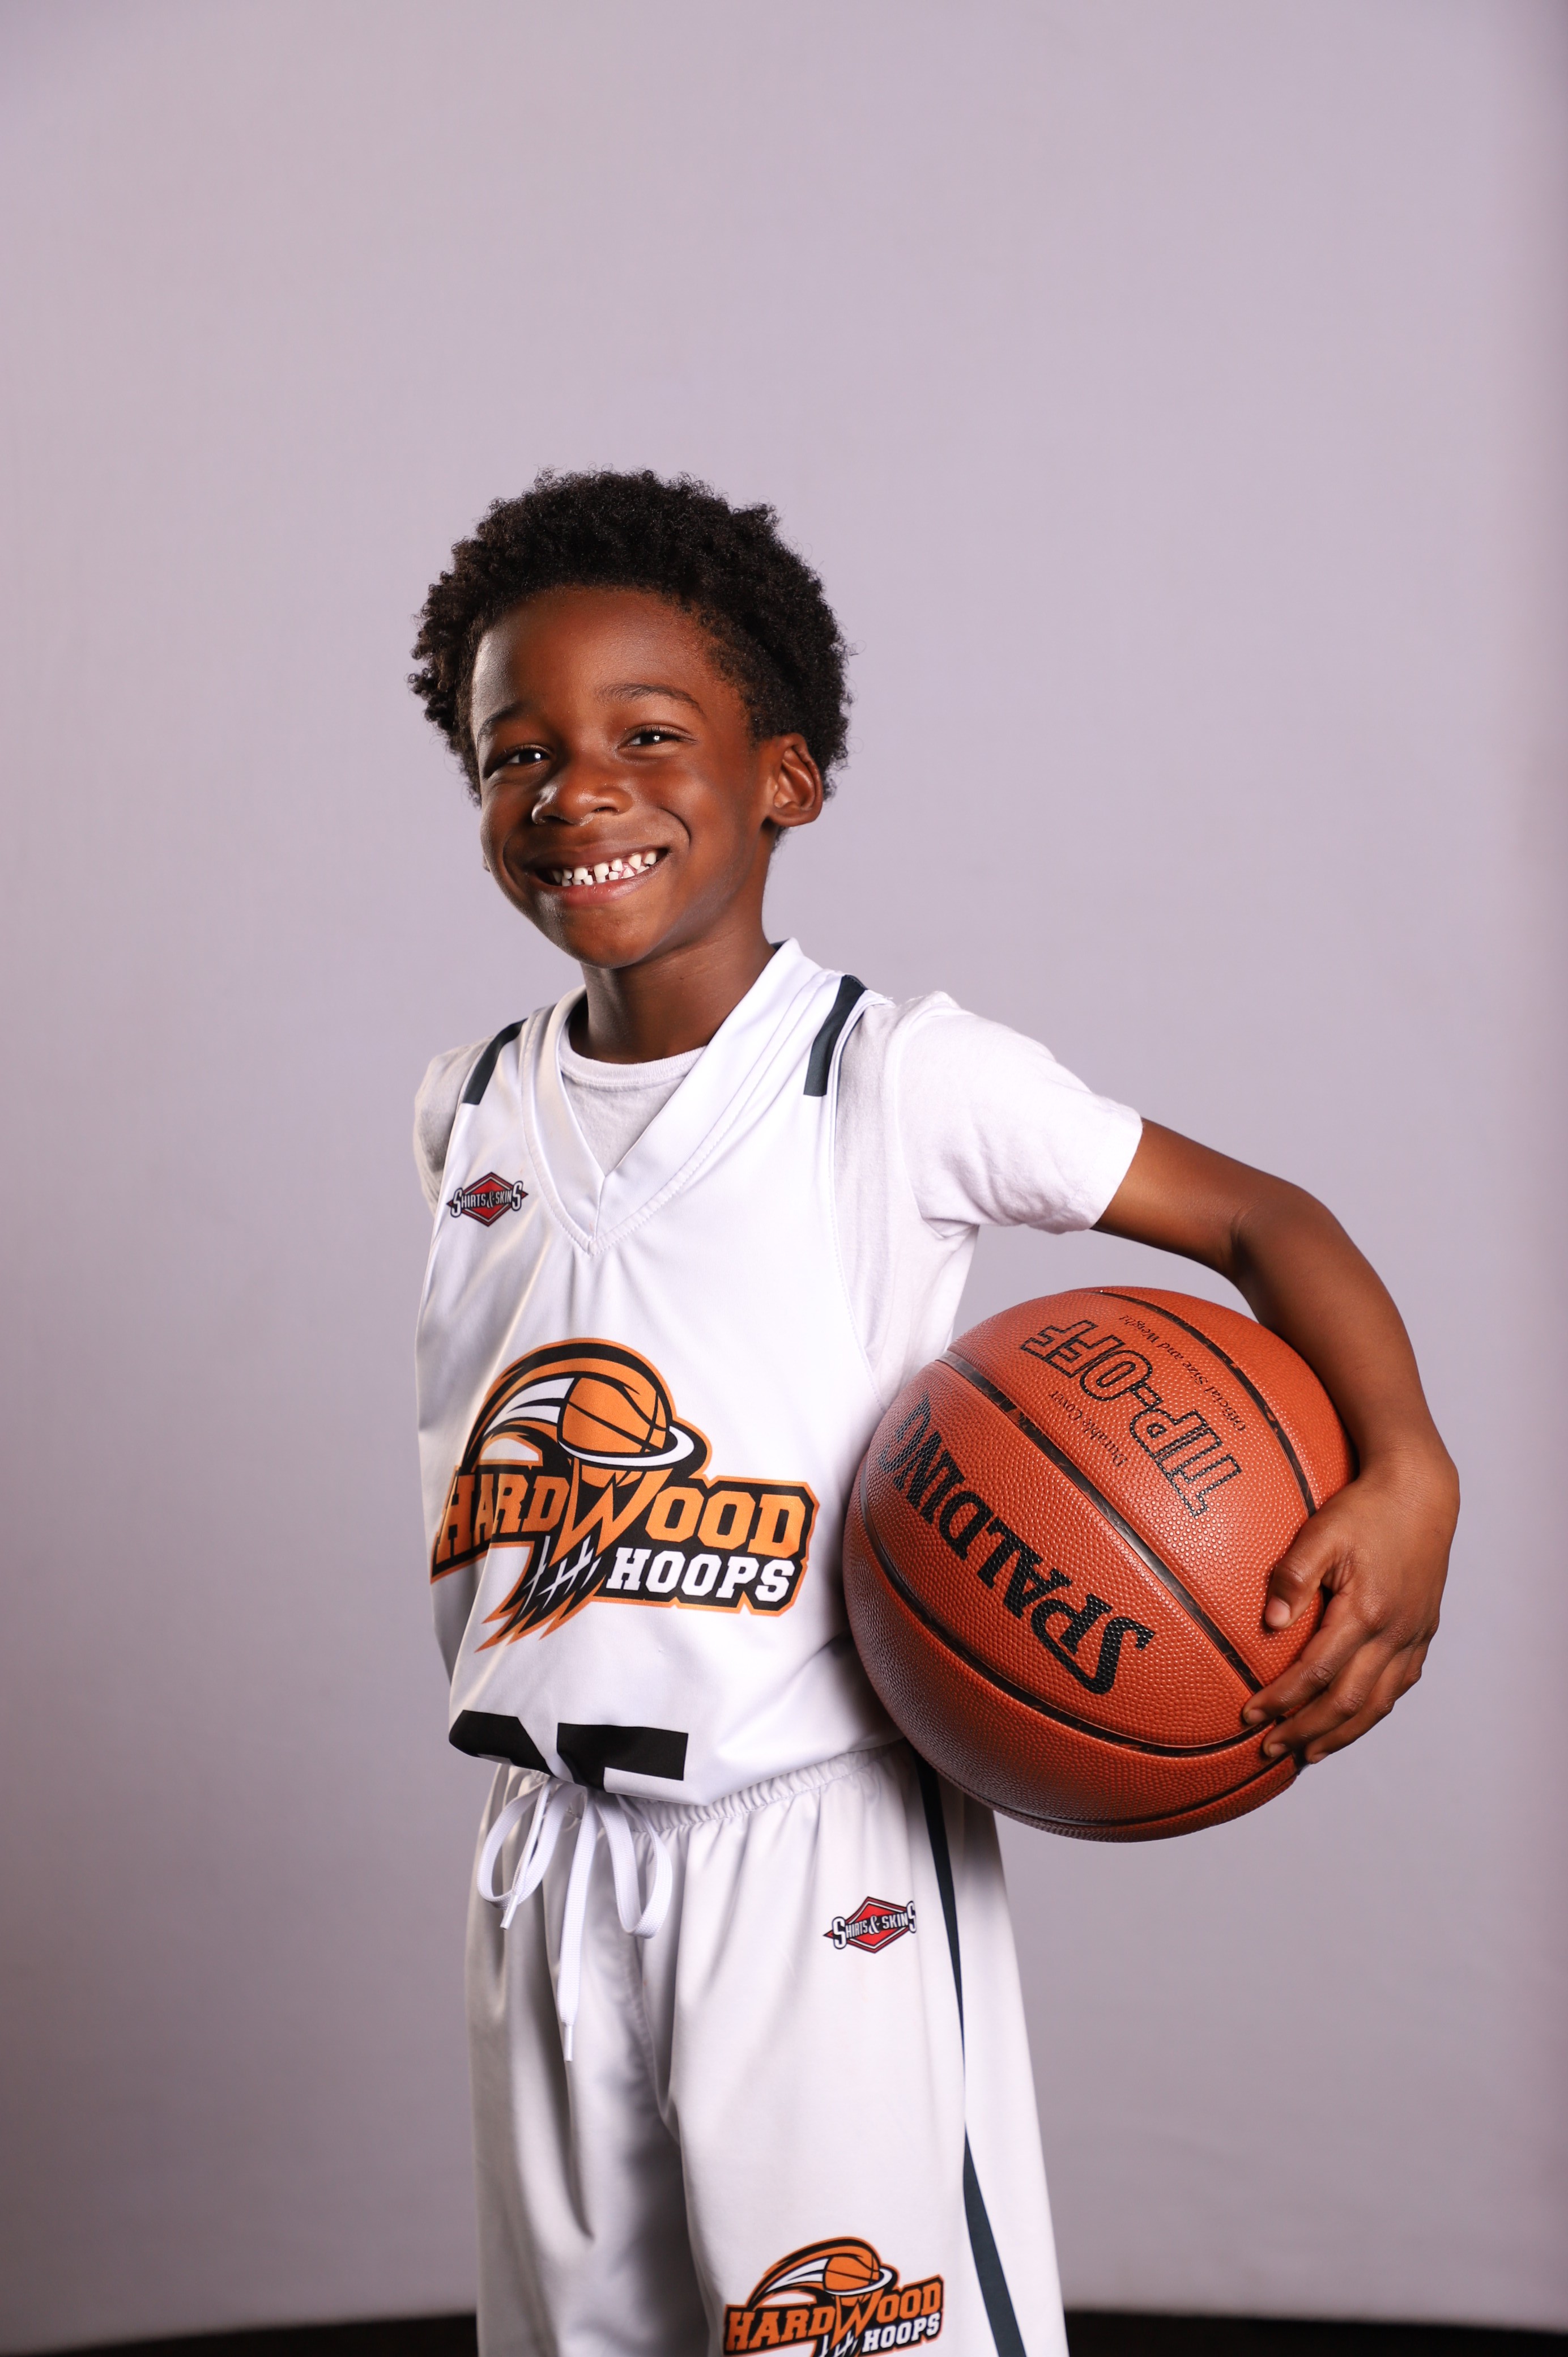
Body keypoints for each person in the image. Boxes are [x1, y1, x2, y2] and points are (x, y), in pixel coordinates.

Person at [407, 471, 1457, 2357]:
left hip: (810, 1844)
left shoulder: (893, 1077)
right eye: (518, 753)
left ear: (786, 778)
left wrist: (1411, 1470)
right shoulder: (464, 1105)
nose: (576, 790)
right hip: (543, 1847)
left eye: (647, 736)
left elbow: (1261, 1220)